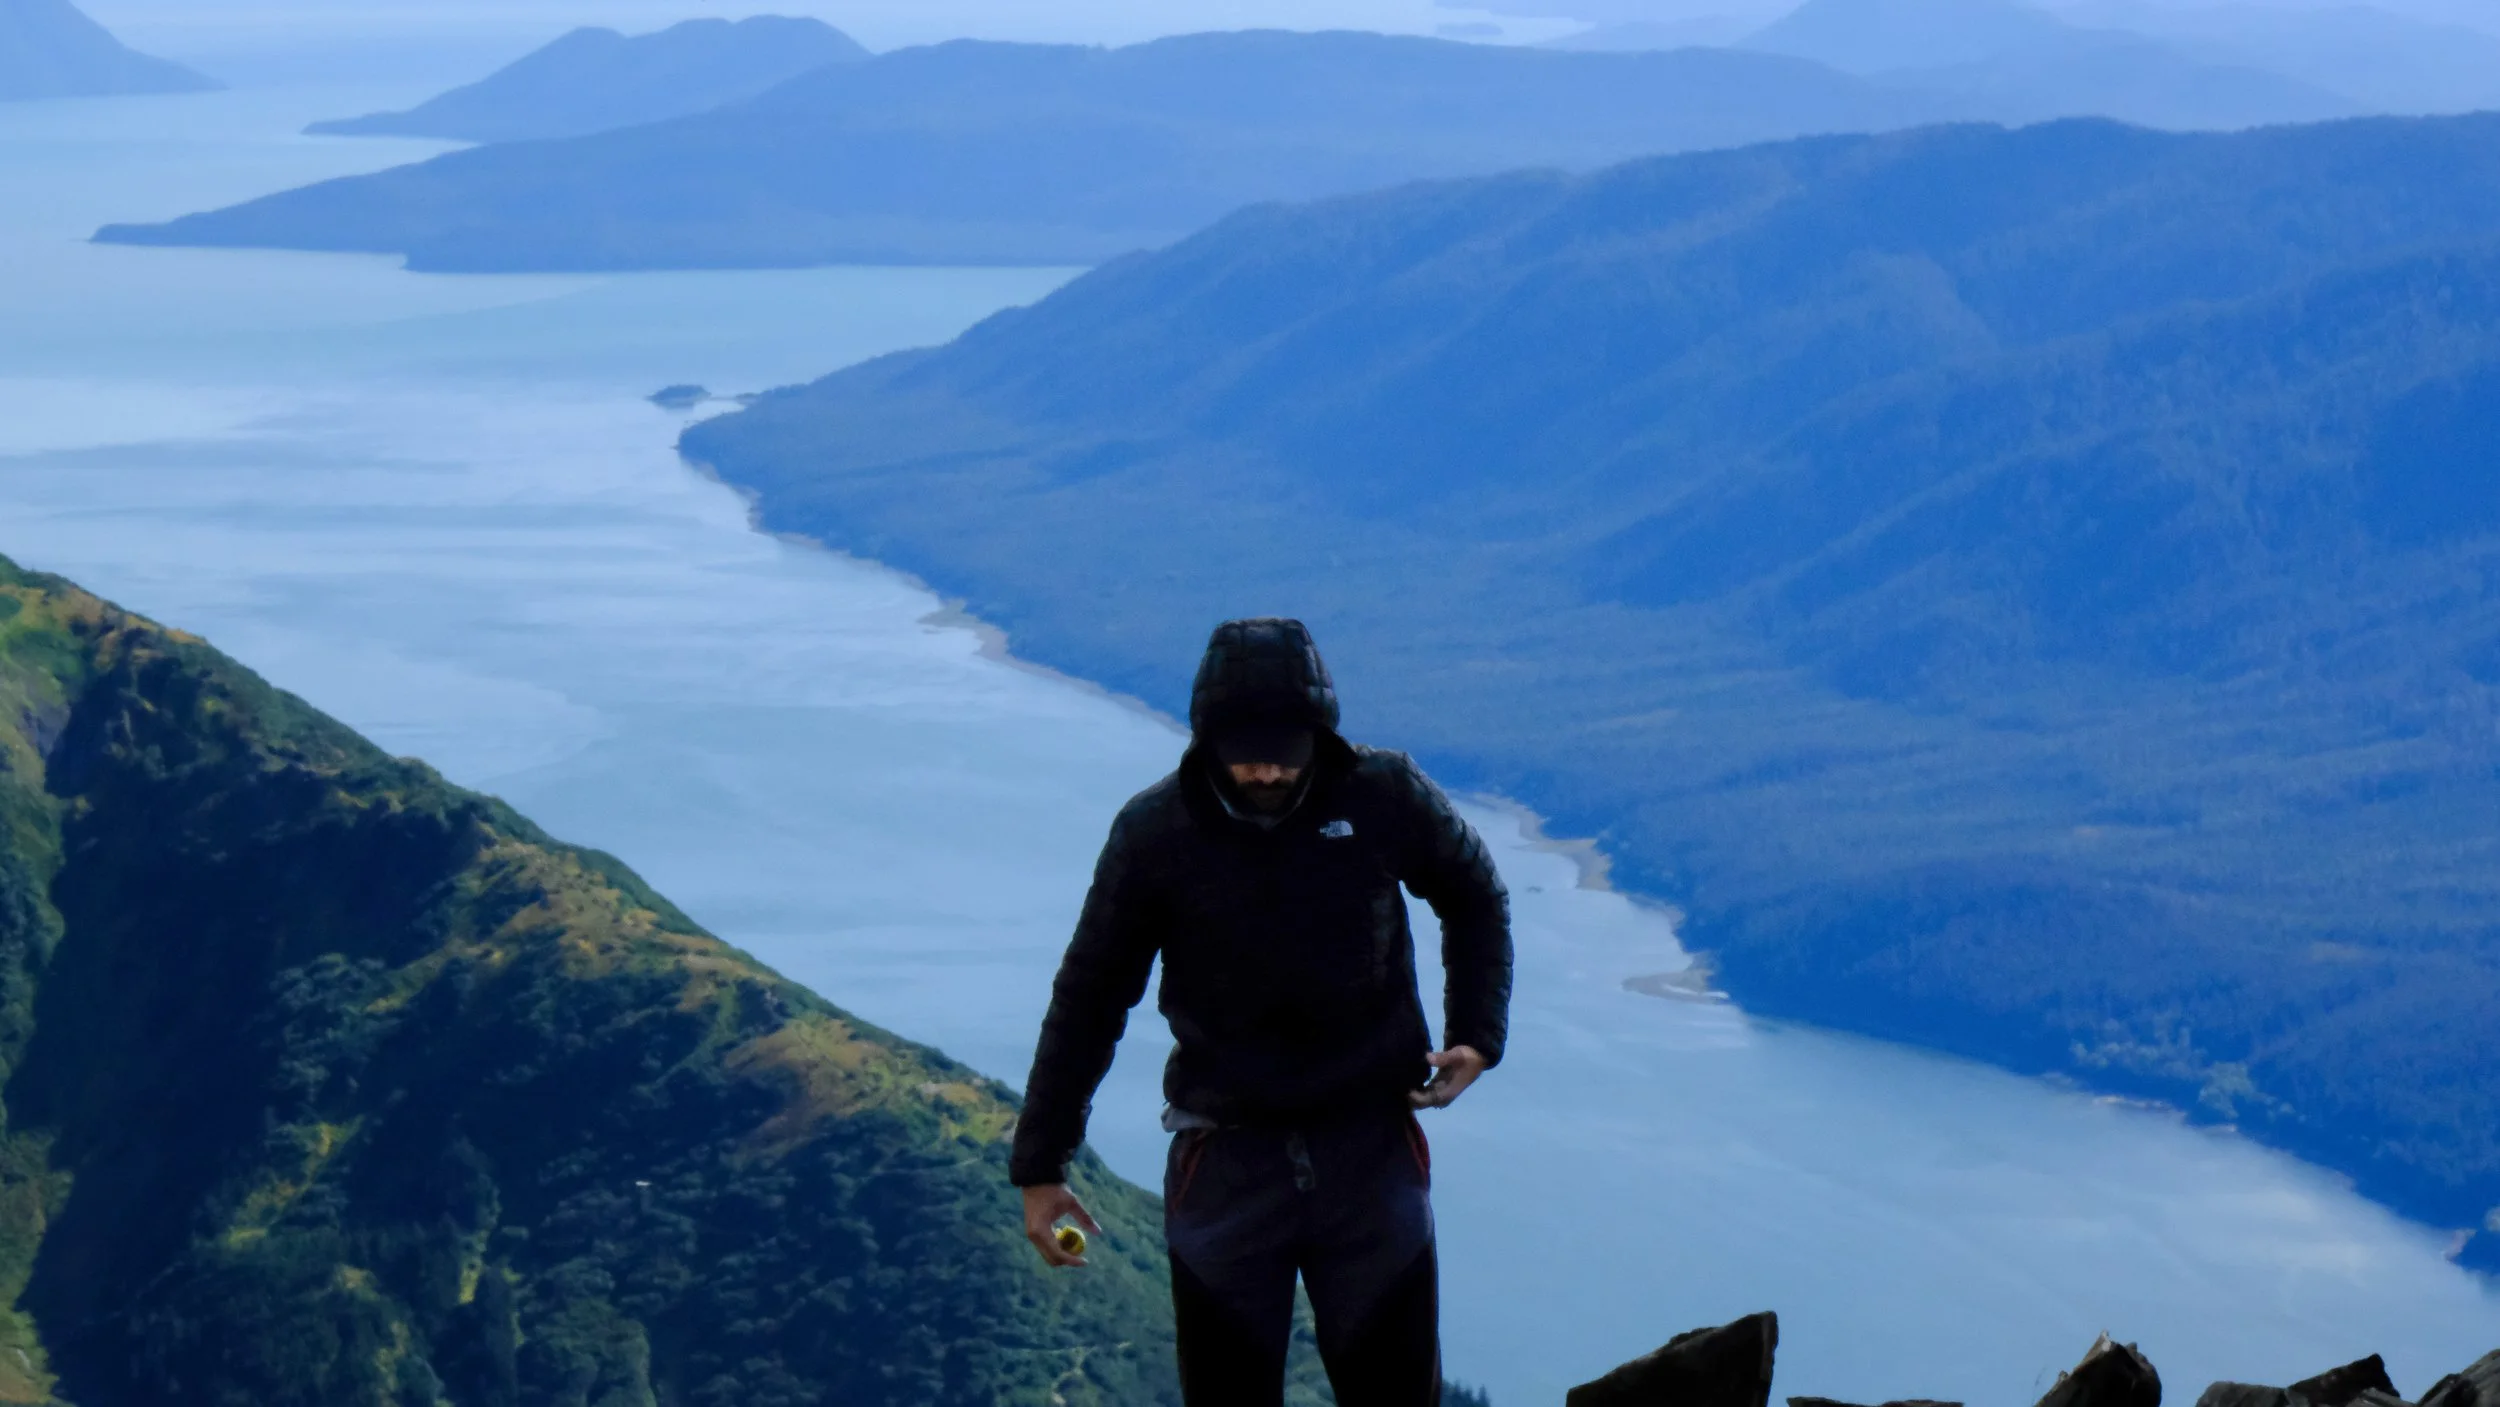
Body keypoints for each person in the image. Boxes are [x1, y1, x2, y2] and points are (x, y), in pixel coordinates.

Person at [1009, 617, 1514, 1407]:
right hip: (1225, 1164)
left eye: (1287, 747)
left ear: (1321, 733)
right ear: (1206, 737)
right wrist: (1041, 1166)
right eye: (1246, 748)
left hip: (1370, 1150)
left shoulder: (1382, 794)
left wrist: (1477, 1035)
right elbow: (1090, 994)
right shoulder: (1155, 833)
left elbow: (1476, 894)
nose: (1268, 768)